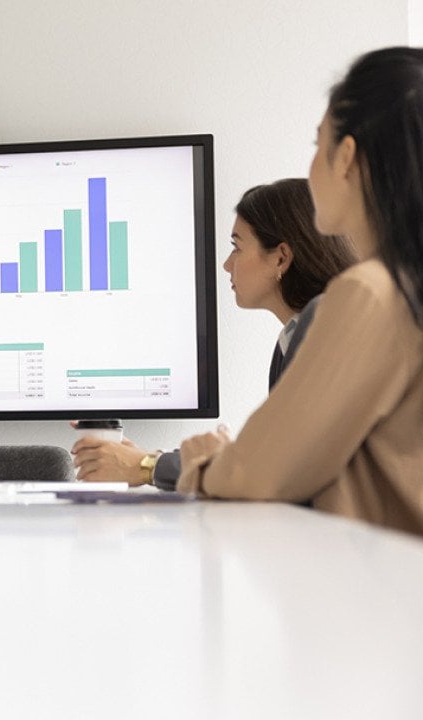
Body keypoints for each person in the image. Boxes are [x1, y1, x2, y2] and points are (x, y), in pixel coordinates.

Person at [178, 47, 423, 535]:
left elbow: (258, 471)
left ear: (347, 157)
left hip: (383, 595)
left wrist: (202, 467)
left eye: (317, 145)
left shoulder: (372, 293)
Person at [72, 179, 356, 488]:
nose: (226, 264)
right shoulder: (291, 340)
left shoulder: (326, 328)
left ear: (280, 257)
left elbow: (274, 467)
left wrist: (146, 465)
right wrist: (143, 461)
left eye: (237, 247)